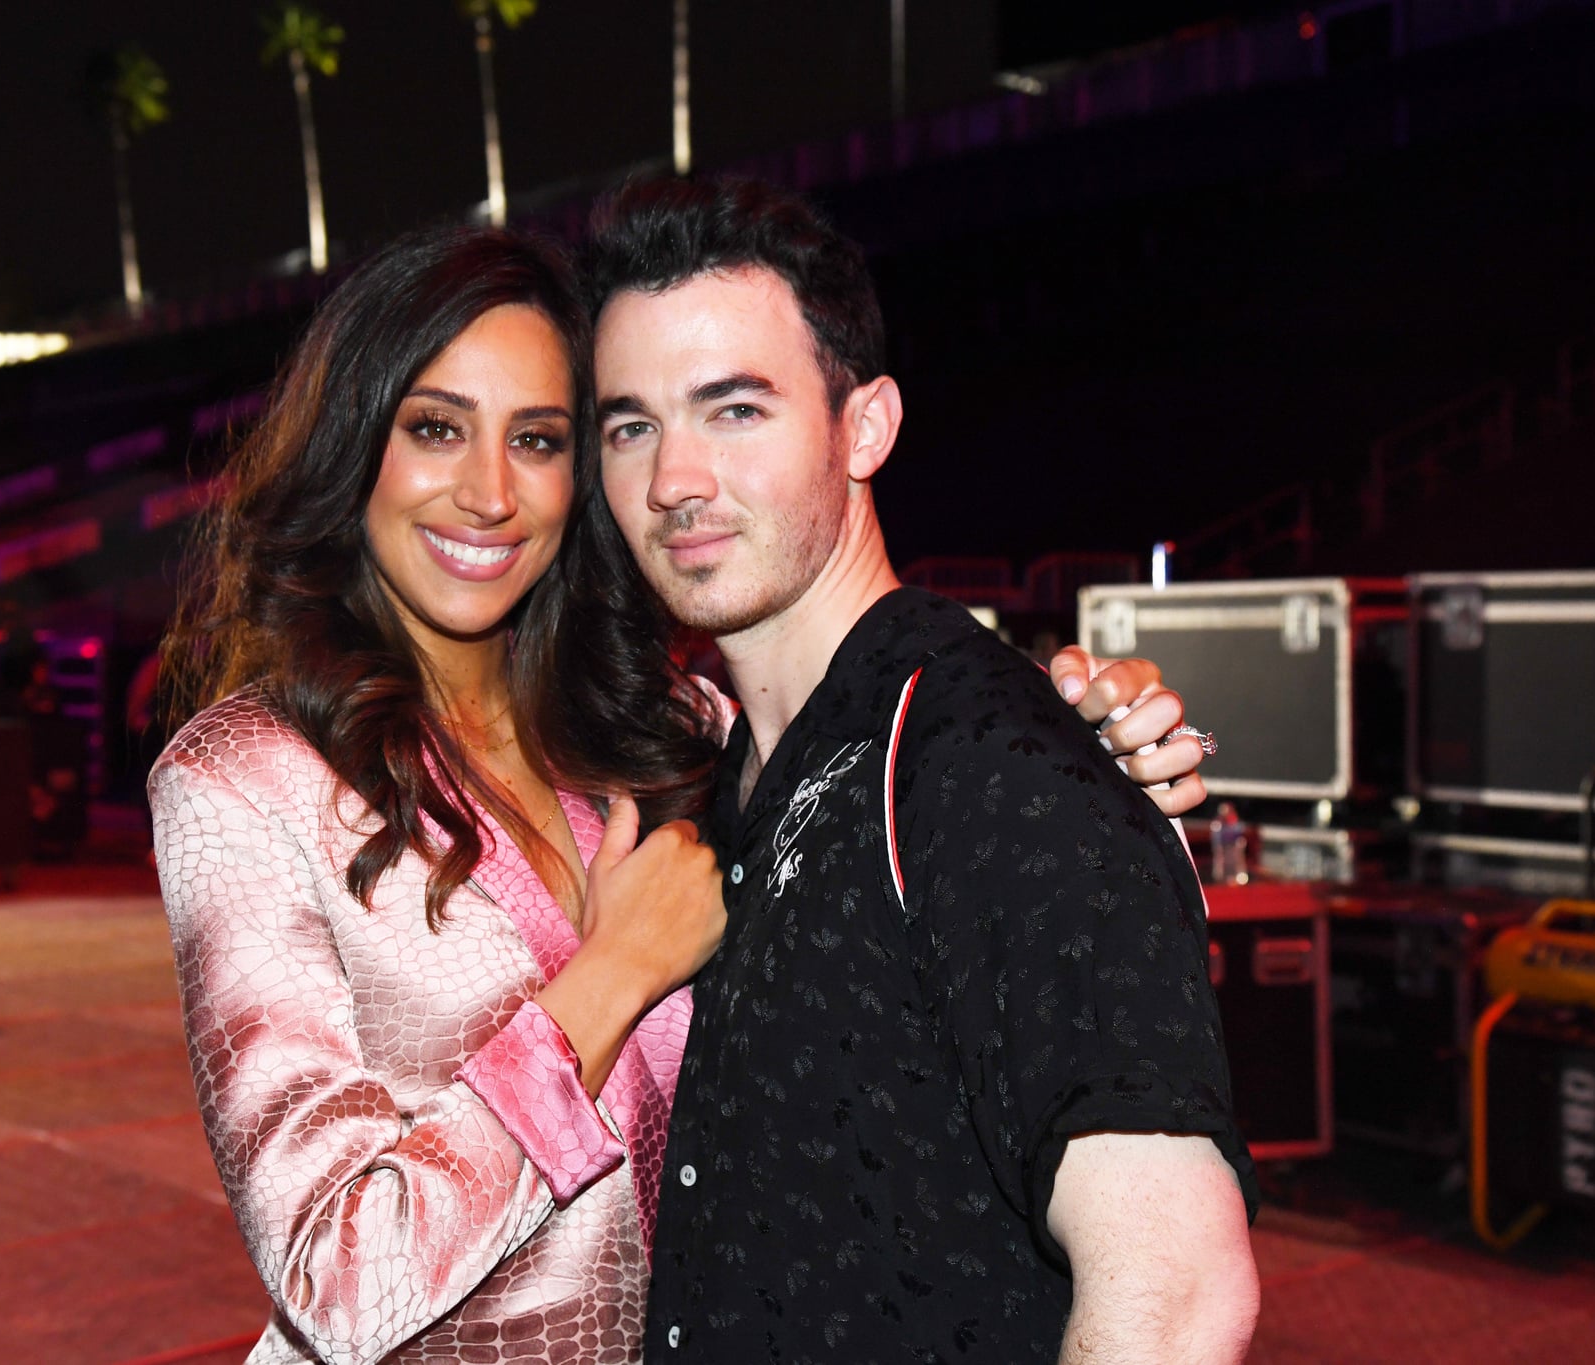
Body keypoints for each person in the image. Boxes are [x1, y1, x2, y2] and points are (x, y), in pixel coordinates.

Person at [150, 227, 1208, 1364]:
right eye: (435, 428)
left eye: (541, 439)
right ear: (355, 441)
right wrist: (607, 983)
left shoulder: (665, 734)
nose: (488, 493)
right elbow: (334, 1280)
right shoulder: (245, 782)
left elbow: (904, 768)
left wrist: (1081, 735)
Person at [585, 176, 1259, 1364]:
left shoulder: (984, 766)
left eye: (733, 410)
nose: (671, 480)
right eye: (630, 424)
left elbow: (1177, 1293)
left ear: (864, 426)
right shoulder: (726, 774)